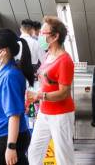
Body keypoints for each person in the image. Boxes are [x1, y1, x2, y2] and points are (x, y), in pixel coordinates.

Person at [26, 16, 76, 165]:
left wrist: (38, 95)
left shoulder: (65, 61)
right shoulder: (48, 55)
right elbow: (45, 81)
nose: (39, 36)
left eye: (43, 33)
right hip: (44, 112)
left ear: (55, 37)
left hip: (61, 115)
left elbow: (64, 92)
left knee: (63, 157)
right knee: (34, 153)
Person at [0, 28, 35, 165]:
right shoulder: (1, 72)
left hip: (7, 138)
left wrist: (11, 147)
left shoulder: (10, 76)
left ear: (3, 51)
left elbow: (14, 115)